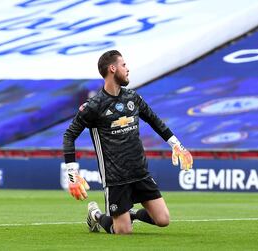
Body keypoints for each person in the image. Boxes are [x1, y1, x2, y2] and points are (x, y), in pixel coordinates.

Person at [63, 50, 193, 234]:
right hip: (116, 178)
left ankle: (129, 213)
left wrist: (176, 145)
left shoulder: (132, 97)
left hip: (139, 171)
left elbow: (155, 120)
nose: (128, 69)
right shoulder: (94, 106)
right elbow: (69, 135)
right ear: (112, 68)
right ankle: (97, 216)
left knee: (163, 220)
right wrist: (72, 174)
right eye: (124, 65)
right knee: (123, 231)